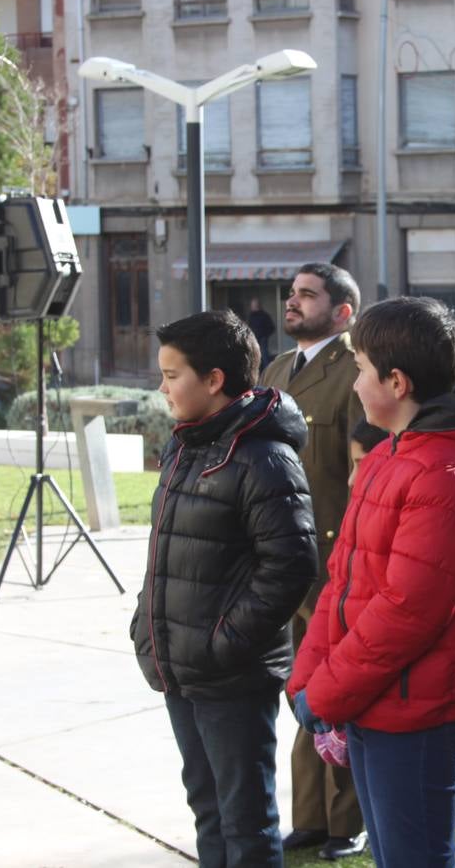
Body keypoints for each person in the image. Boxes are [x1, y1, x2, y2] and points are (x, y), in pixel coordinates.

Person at [287, 297, 455, 868]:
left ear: (396, 382)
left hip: (416, 710)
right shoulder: (387, 457)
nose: (354, 381)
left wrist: (323, 692)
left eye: (362, 369)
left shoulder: (450, 478)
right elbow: (342, 581)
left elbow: (405, 614)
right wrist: (309, 677)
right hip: (371, 699)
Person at [136, 310, 319, 868]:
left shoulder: (265, 458)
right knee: (208, 810)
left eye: (172, 375)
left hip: (230, 675)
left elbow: (291, 565)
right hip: (178, 665)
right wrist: (147, 627)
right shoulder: (184, 445)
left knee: (246, 821)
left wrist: (224, 642)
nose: (162, 388)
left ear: (214, 379)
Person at [259, 264, 369, 861]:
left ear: (343, 311)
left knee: (339, 693)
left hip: (336, 564)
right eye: (292, 293)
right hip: (284, 560)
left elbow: (362, 470)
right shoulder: (276, 371)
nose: (292, 302)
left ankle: (344, 821)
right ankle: (309, 816)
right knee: (299, 690)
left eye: (307, 294)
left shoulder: (358, 369)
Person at [247, 297, 277, 364]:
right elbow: (249, 327)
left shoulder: (264, 316)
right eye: (251, 305)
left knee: (264, 356)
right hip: (254, 339)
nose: (251, 307)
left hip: (262, 340)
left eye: (253, 305)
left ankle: (267, 371)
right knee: (254, 357)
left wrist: (265, 336)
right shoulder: (251, 316)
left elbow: (272, 328)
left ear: (257, 305)